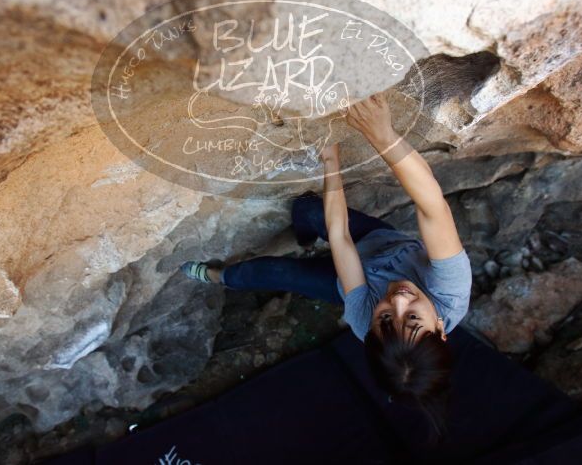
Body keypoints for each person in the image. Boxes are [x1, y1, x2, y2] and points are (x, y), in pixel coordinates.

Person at [181, 93, 472, 436]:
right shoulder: (450, 291)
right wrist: (380, 135)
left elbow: (340, 240)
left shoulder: (365, 323)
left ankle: (220, 275)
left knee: (278, 273)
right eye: (411, 317)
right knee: (307, 210)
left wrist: (330, 161)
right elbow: (432, 207)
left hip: (349, 280)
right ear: (440, 328)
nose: (397, 299)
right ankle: (304, 240)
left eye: (386, 318)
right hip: (380, 244)